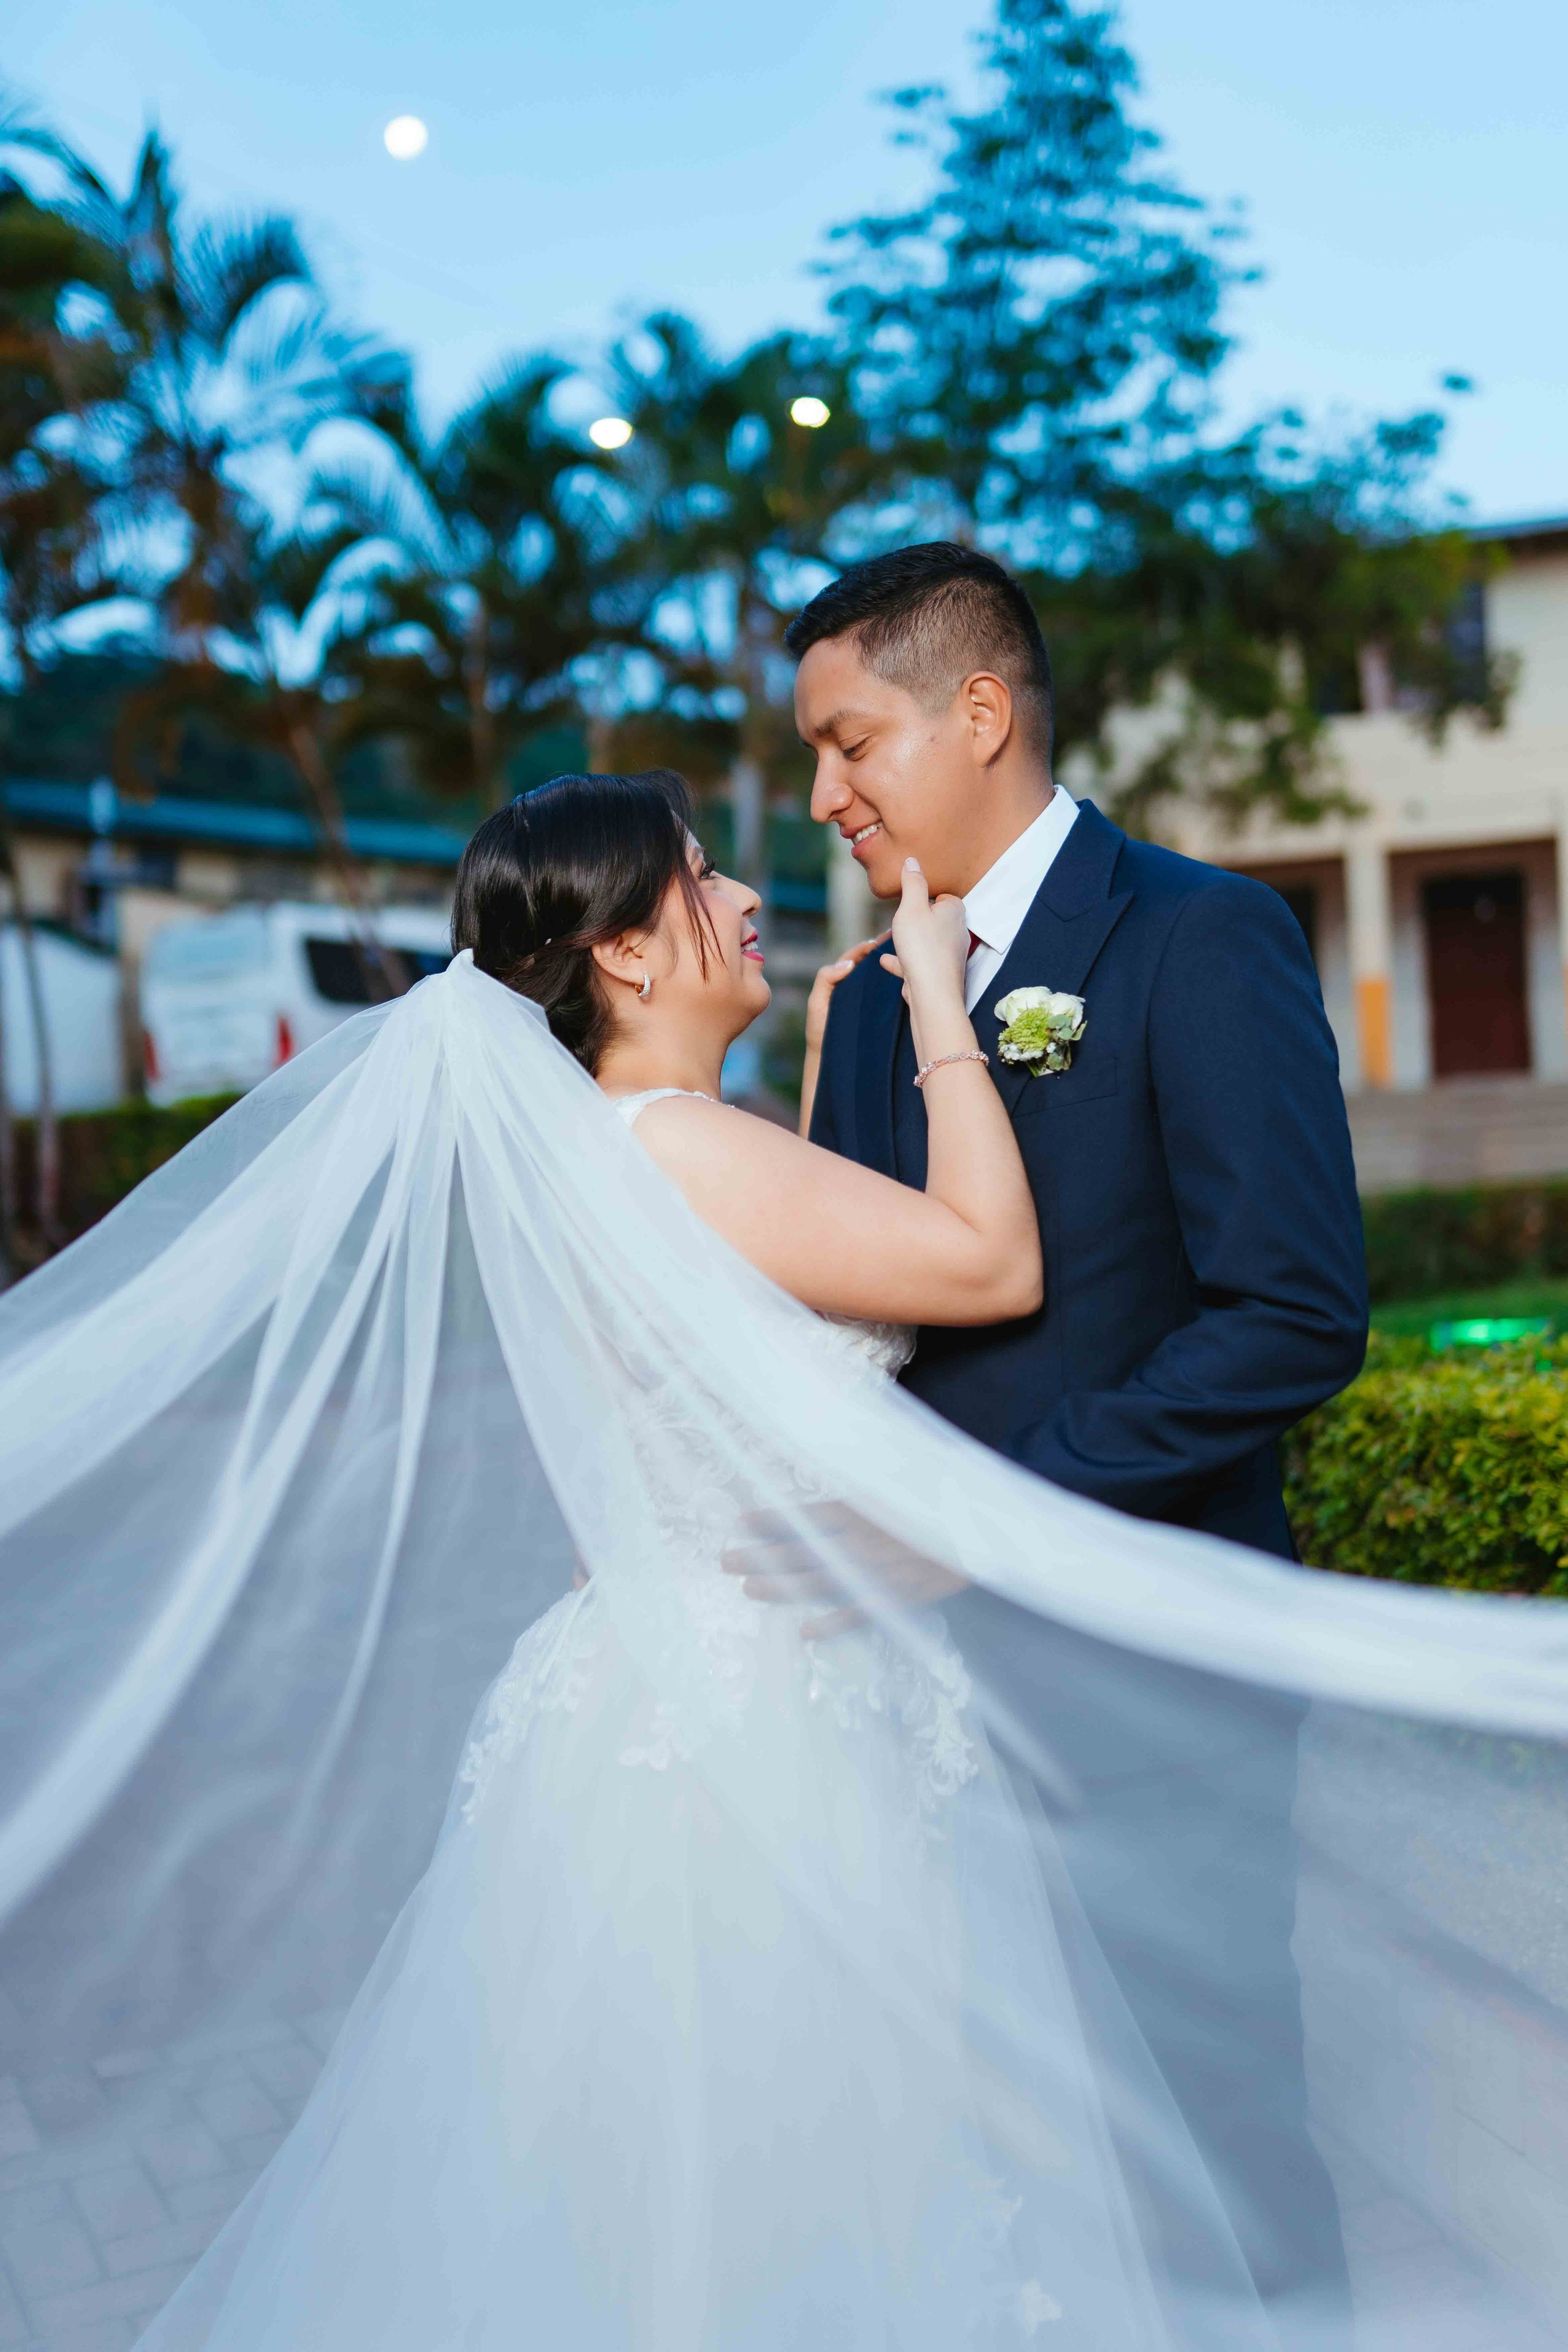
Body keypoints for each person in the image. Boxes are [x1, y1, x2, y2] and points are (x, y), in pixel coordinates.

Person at [5, 771, 1565, 2352]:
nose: (747, 894)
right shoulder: (676, 1146)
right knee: (834, 2159)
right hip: (771, 1718)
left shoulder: (632, 1153)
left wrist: (834, 1071)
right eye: (696, 877)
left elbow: (778, 1307)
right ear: (621, 954)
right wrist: (946, 1011)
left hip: (679, 1686)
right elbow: (984, 1258)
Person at [785, 542, 1369, 2338]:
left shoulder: (1202, 936)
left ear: (980, 713)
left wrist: (986, 1517)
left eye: (851, 742)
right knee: (1002, 2109)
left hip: (1160, 1656)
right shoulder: (879, 1004)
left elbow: (1291, 1312)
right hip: (928, 1686)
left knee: (1205, 2105)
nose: (826, 795)